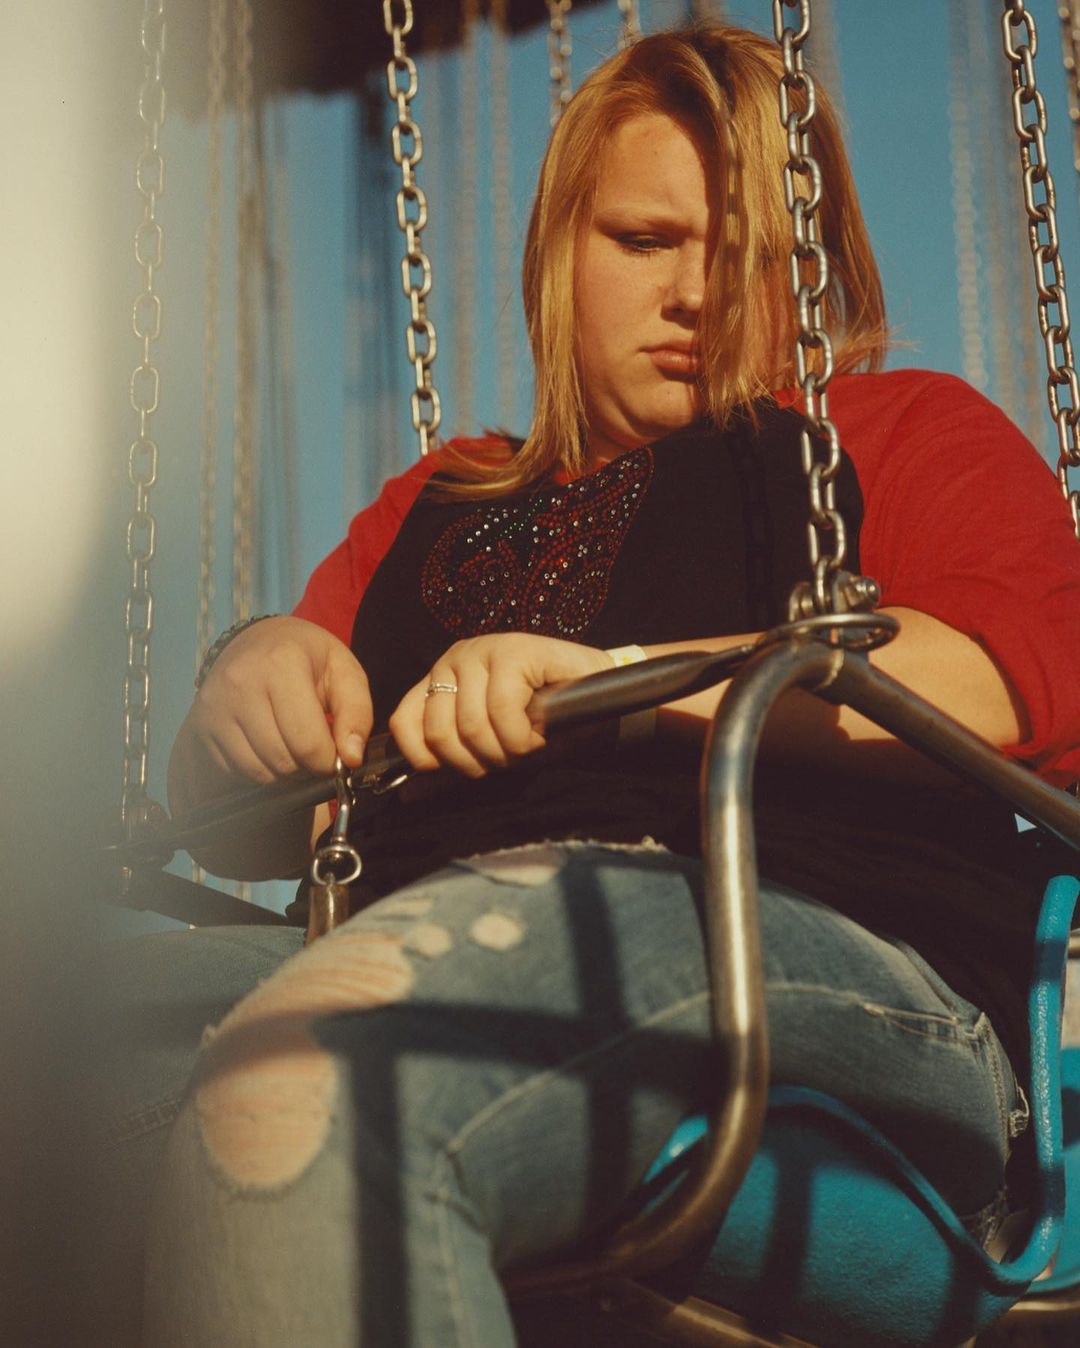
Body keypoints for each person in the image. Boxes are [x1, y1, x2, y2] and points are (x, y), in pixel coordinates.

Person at [100, 23, 1080, 1348]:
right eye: (644, 240)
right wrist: (248, 679)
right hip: (411, 934)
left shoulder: (895, 434)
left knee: (333, 1066)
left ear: (811, 265)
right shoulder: (436, 500)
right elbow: (254, 806)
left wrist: (626, 683)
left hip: (816, 946)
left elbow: (1017, 683)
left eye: (746, 253)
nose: (696, 294)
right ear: (559, 255)